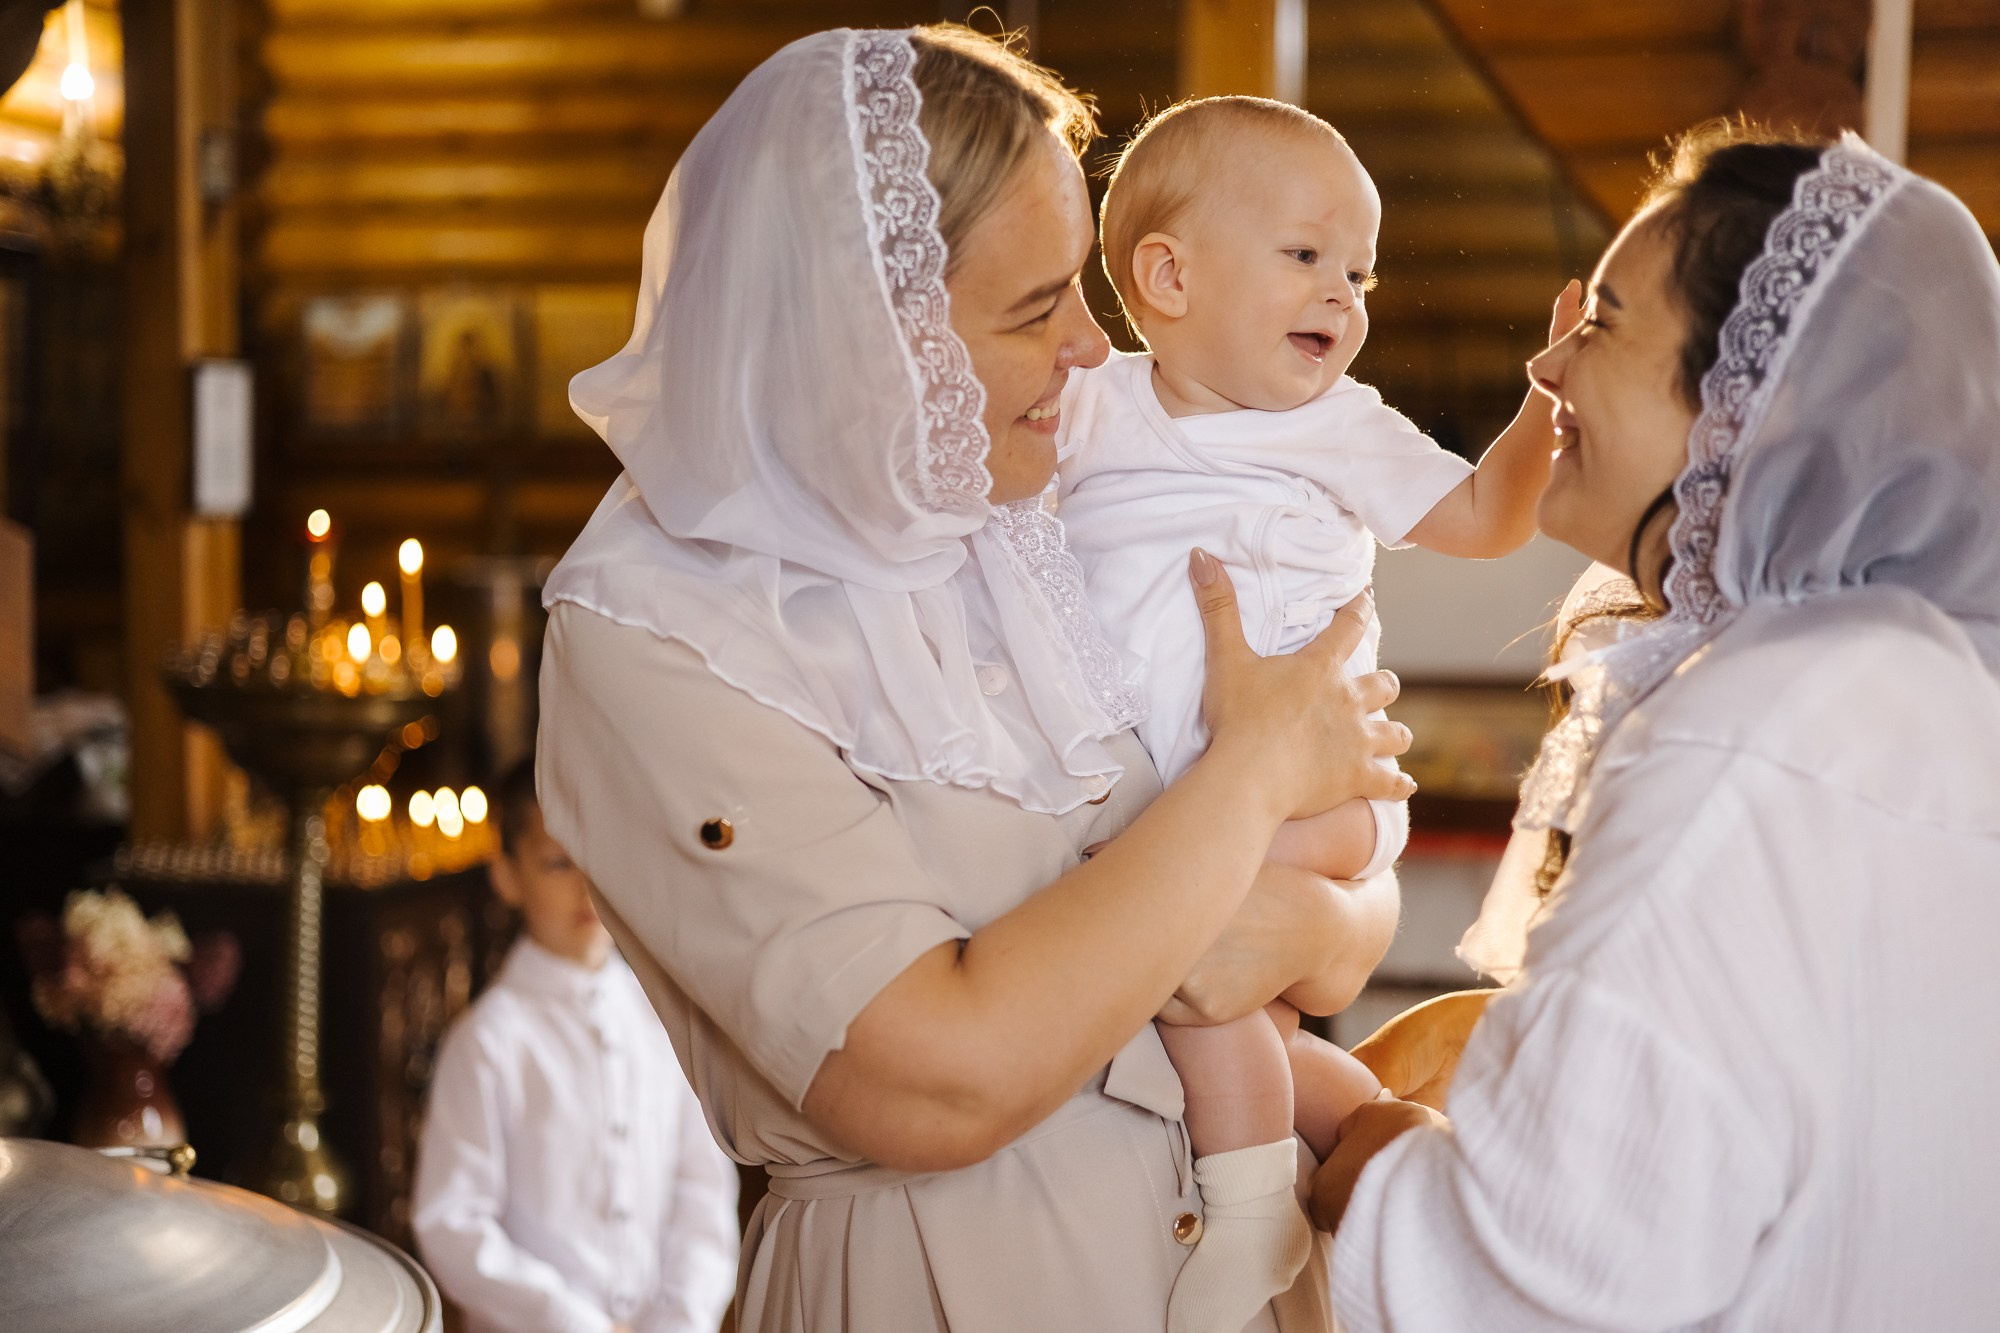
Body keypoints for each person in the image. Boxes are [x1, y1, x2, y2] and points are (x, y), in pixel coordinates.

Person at [534, 24, 1414, 1333]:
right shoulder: (658, 629)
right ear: (862, 333)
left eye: (1078, 289)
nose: (1087, 347)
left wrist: (1333, 933)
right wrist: (1250, 789)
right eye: (1034, 305)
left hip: (1244, 1264)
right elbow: (934, 1081)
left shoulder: (1048, 497)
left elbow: (1337, 833)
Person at [1311, 125, 2000, 1329]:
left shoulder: (1744, 735)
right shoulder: (1923, 696)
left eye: (1604, 323)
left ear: (1753, 401)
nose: (1547, 366)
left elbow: (1539, 1274)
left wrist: (1360, 1146)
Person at [1053, 95, 1575, 1331]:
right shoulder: (1092, 411)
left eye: (1359, 272)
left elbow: (1484, 521)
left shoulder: (1336, 427)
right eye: (1305, 258)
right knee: (1189, 997)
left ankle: (1246, 1213)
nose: (1342, 297)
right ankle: (1353, 1123)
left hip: (1312, 796)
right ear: (1166, 276)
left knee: (1196, 971)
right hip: (1171, 794)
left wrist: (1541, 410)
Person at [412, 758, 739, 1333]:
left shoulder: (666, 1023)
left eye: (599, 859)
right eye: (558, 862)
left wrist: (683, 1315)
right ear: (507, 873)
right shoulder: (489, 1041)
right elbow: (452, 1222)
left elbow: (702, 1188)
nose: (585, 885)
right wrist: (562, 1318)